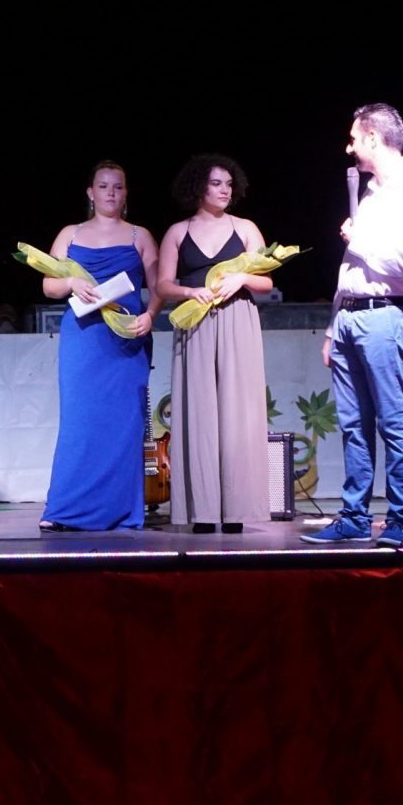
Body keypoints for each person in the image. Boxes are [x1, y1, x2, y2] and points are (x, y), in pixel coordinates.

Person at [302, 103, 403, 548]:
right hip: (350, 316)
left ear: (374, 139)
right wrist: (332, 325)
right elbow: (353, 269)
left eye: (354, 138)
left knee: (392, 421)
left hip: (386, 316)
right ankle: (354, 516)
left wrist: (358, 238)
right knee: (353, 424)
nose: (349, 147)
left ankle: (400, 519)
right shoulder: (373, 194)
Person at [155, 154, 273, 534]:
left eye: (228, 184)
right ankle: (202, 511)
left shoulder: (246, 228)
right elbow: (162, 285)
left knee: (238, 414)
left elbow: (266, 281)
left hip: (238, 318)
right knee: (198, 412)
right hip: (195, 321)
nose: (224, 190)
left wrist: (242, 279)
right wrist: (190, 291)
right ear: (198, 187)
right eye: (216, 184)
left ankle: (236, 509)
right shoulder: (178, 231)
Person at [38, 161, 159, 532]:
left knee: (124, 423)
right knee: (80, 421)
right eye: (104, 186)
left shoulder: (139, 235)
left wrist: (151, 315)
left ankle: (119, 511)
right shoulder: (70, 234)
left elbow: (158, 287)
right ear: (90, 193)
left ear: (126, 193)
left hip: (126, 336)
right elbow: (48, 286)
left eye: (118, 187)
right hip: (84, 338)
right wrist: (71, 283)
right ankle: (64, 510)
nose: (111, 193)